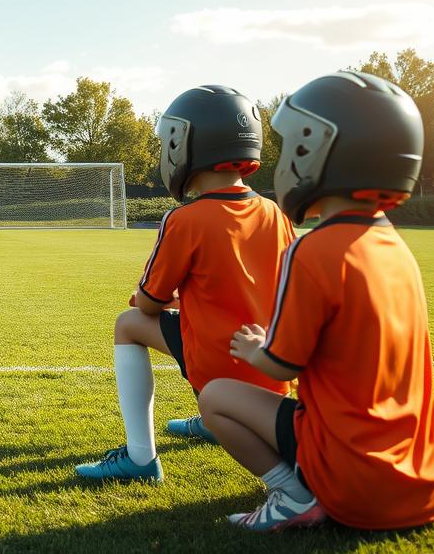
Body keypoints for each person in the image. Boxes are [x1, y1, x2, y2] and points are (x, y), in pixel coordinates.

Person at [198, 72, 434, 531]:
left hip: (360, 487)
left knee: (217, 396)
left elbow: (281, 366)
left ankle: (294, 497)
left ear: (315, 151)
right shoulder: (395, 248)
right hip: (430, 482)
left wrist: (254, 348)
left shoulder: (315, 248)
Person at [75, 85, 294, 482]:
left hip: (216, 362)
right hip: (270, 365)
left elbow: (148, 304)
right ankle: (214, 422)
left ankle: (141, 459)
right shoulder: (275, 212)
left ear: (185, 143)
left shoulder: (184, 220)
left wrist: (164, 300)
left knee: (128, 323)